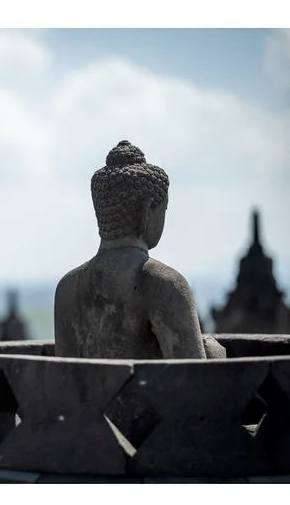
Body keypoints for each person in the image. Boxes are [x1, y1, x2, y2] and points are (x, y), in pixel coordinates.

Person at [54, 140, 225, 360]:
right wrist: (216, 355)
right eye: (164, 209)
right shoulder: (164, 284)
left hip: (87, 397)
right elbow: (192, 383)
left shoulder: (67, 288)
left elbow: (65, 378)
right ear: (147, 212)